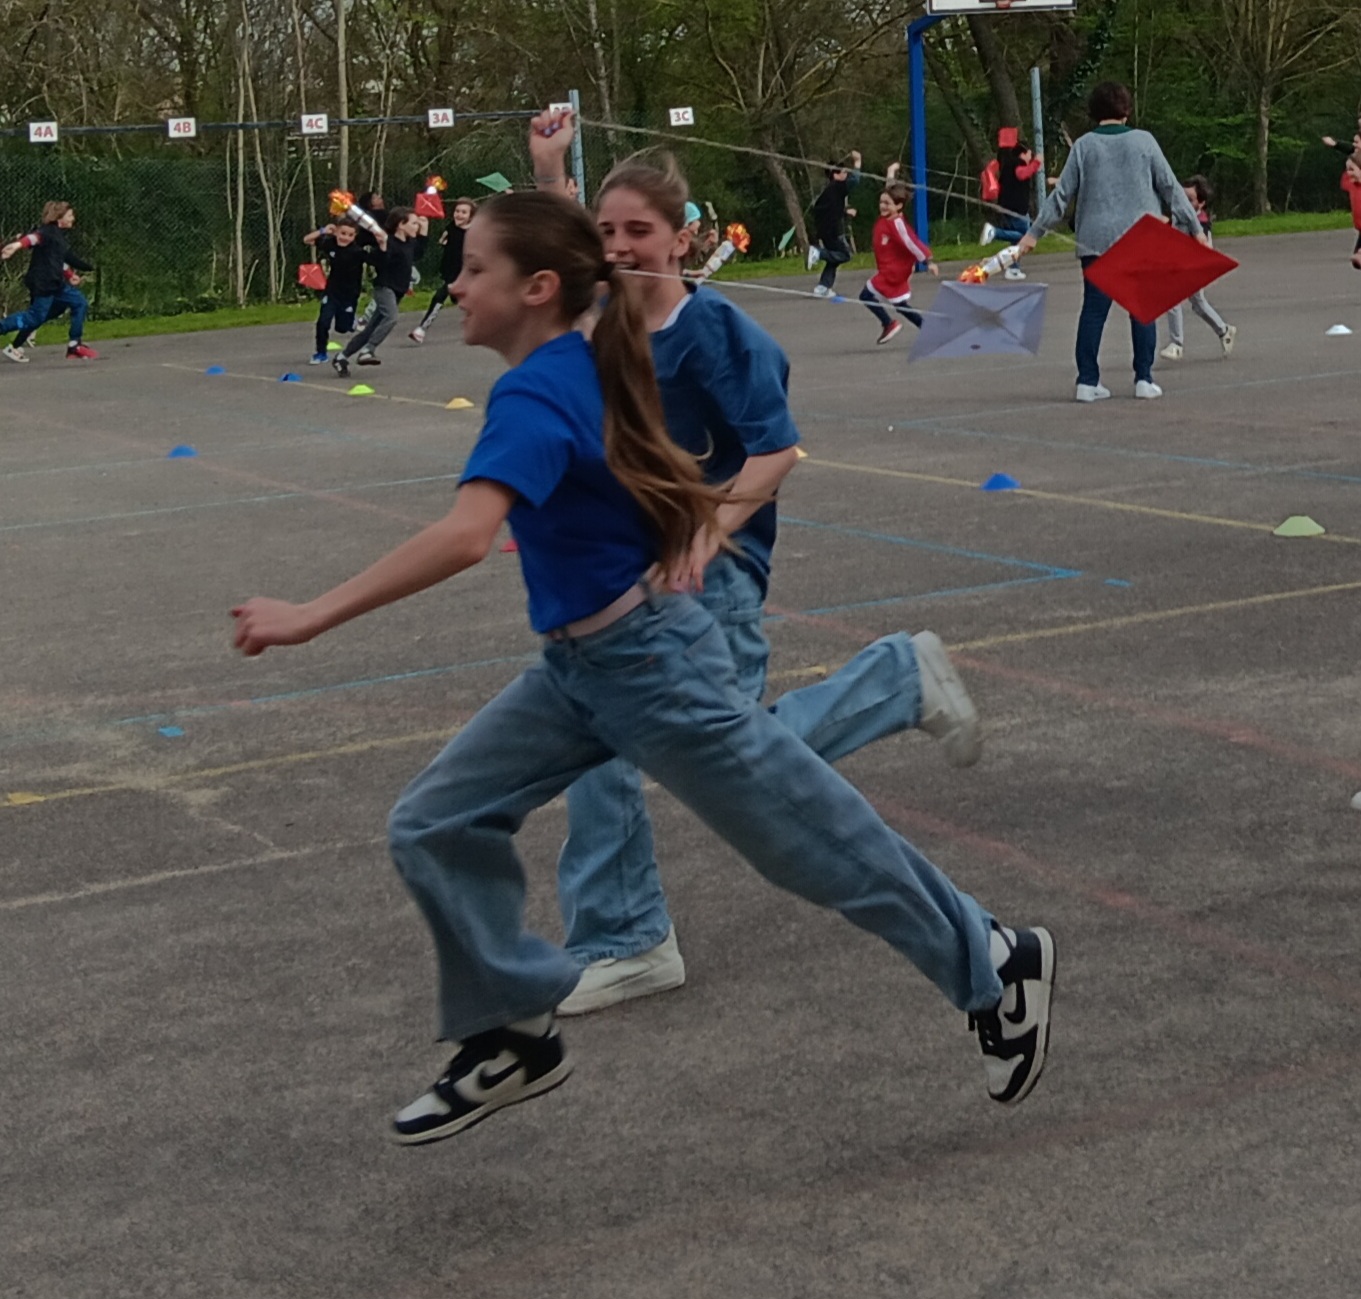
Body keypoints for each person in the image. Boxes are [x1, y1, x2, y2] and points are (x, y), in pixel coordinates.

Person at [230, 190, 1057, 1146]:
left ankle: (994, 960)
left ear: (536, 288)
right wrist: (552, 171)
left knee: (807, 842)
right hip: (579, 667)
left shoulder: (537, 391)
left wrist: (310, 615)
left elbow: (465, 537)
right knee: (434, 820)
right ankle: (513, 1030)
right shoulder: (584, 349)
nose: (454, 285)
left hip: (652, 665)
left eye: (474, 270)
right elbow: (581, 258)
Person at [530, 109, 980, 1017]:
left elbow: (775, 453)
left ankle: (895, 680)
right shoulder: (604, 318)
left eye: (638, 230)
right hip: (633, 574)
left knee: (732, 761)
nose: (618, 247)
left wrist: (706, 532)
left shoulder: (718, 332)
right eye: (607, 231)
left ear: (681, 237)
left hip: (715, 574)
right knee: (602, 744)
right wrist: (548, 169)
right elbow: (564, 247)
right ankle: (624, 935)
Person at [1015, 81, 1204, 403]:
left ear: (1093, 112)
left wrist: (1034, 233)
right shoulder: (1144, 141)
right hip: (1139, 237)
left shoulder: (1084, 146)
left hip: (1096, 239)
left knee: (1093, 311)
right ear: (1126, 110)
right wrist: (1195, 228)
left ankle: (1087, 382)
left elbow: (1061, 196)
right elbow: (1170, 187)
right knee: (1141, 309)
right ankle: (1143, 378)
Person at [331, 207, 427, 375]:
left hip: (398, 291)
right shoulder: (389, 242)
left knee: (370, 329)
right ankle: (368, 349)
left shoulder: (409, 243)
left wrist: (424, 232)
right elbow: (378, 262)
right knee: (391, 317)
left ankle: (341, 357)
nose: (416, 226)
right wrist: (382, 246)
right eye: (414, 223)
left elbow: (418, 254)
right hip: (384, 288)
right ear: (401, 225)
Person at [0, 202, 98, 363]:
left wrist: (69, 274)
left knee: (79, 302)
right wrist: (17, 245)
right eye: (70, 215)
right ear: (60, 218)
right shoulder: (48, 232)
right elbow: (34, 238)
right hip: (43, 283)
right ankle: (5, 330)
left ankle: (74, 344)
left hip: (56, 283)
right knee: (34, 318)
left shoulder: (58, 236)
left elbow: (56, 259)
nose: (73, 218)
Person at [1160, 175, 1236, 360]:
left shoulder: (1201, 222)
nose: (1184, 203)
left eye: (1190, 199)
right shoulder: (1179, 215)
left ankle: (1176, 344)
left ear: (1201, 204)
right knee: (1198, 304)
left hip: (1193, 267)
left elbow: (1202, 245)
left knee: (1173, 299)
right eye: (1182, 197)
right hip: (1181, 266)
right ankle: (1224, 330)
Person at [859, 172, 938, 346]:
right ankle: (927, 329)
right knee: (901, 305)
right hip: (889, 269)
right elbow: (889, 189)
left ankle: (889, 324)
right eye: (881, 202)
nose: (883, 206)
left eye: (887, 204)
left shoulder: (897, 224)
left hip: (893, 272)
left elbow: (912, 243)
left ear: (899, 206)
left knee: (865, 295)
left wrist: (928, 261)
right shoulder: (888, 218)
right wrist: (891, 172)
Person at [302, 217, 374, 364]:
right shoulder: (330, 244)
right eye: (343, 233)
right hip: (332, 291)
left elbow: (377, 261)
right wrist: (323, 231)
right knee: (323, 322)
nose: (345, 238)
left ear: (355, 236)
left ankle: (351, 321)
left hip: (350, 294)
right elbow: (307, 240)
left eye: (350, 235)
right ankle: (320, 353)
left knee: (342, 328)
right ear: (336, 232)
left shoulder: (357, 252)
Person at [410, 197, 476, 343]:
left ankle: (421, 329)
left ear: (471, 216)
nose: (459, 215)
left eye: (464, 212)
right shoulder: (451, 227)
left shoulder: (474, 232)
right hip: (449, 270)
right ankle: (421, 329)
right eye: (457, 211)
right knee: (448, 298)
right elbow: (444, 241)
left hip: (466, 273)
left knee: (444, 297)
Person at [980, 137, 1044, 280]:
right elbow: (1023, 174)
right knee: (1025, 238)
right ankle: (994, 233)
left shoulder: (1008, 165)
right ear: (1024, 153)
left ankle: (1013, 269)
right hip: (1016, 209)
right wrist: (1036, 163)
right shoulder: (1017, 164)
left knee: (1017, 241)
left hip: (1010, 207)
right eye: (1030, 154)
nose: (1030, 157)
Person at [807, 151, 861, 297]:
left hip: (825, 231)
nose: (846, 175)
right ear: (836, 175)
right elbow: (855, 180)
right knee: (845, 255)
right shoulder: (838, 186)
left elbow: (829, 209)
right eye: (844, 172)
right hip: (834, 230)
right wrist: (857, 161)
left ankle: (823, 287)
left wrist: (845, 211)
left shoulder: (828, 190)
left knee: (834, 258)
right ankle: (818, 253)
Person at [1341, 153, 1361, 271]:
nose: (1348, 173)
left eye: (1352, 169)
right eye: (1347, 169)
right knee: (1356, 263)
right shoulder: (1351, 184)